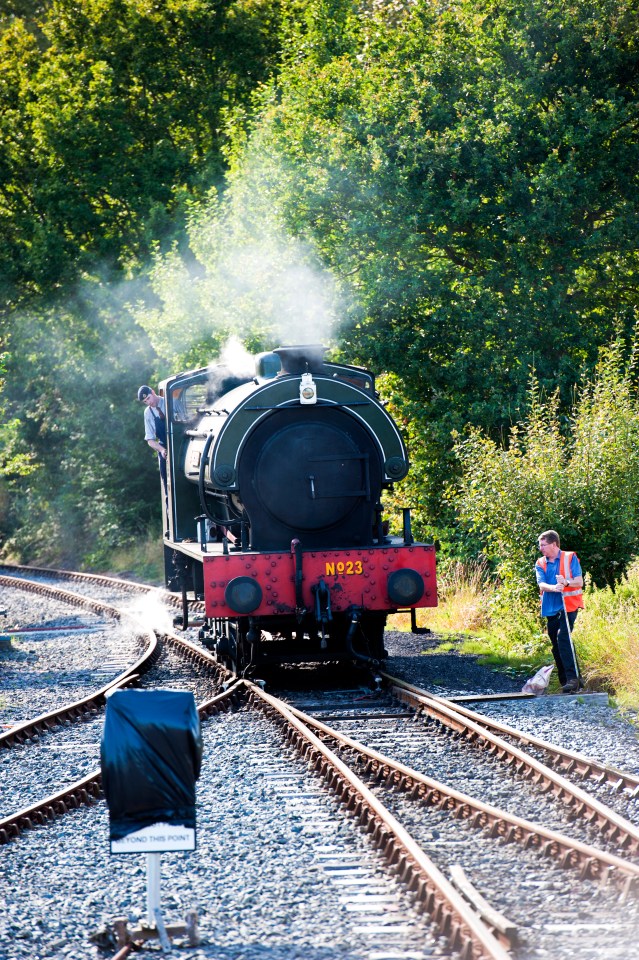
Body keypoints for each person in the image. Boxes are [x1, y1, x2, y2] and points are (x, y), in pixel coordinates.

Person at [535, 530, 584, 694]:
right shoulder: (540, 563)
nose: (540, 548)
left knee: (563, 637)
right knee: (557, 645)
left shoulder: (570, 557)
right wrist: (554, 587)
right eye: (540, 545)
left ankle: (573, 679)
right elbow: (541, 585)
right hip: (551, 608)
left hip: (568, 605)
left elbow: (579, 581)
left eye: (543, 545)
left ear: (554, 544)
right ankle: (567, 682)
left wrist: (566, 582)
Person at [137, 385, 167, 496]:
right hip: (164, 448)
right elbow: (150, 440)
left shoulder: (171, 402)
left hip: (180, 443)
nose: (148, 402)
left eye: (148, 398)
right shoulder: (148, 413)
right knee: (167, 483)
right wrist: (162, 450)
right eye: (145, 401)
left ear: (153, 392)